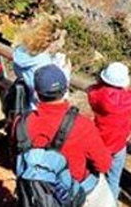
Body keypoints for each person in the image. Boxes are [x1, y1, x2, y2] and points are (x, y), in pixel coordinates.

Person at [17, 64, 113, 207]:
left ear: (36, 93)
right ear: (66, 89)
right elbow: (104, 165)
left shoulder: (21, 123)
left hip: (38, 190)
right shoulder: (82, 125)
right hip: (77, 191)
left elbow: (17, 157)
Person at [88, 62, 131, 202]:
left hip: (98, 141)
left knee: (97, 173)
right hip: (117, 145)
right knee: (113, 177)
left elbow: (92, 88)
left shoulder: (94, 93)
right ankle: (110, 202)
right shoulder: (124, 100)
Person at [13, 17, 72, 110]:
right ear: (49, 42)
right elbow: (55, 89)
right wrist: (66, 73)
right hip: (43, 110)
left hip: (29, 106)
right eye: (58, 38)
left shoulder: (22, 55)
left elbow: (20, 74)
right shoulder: (44, 65)